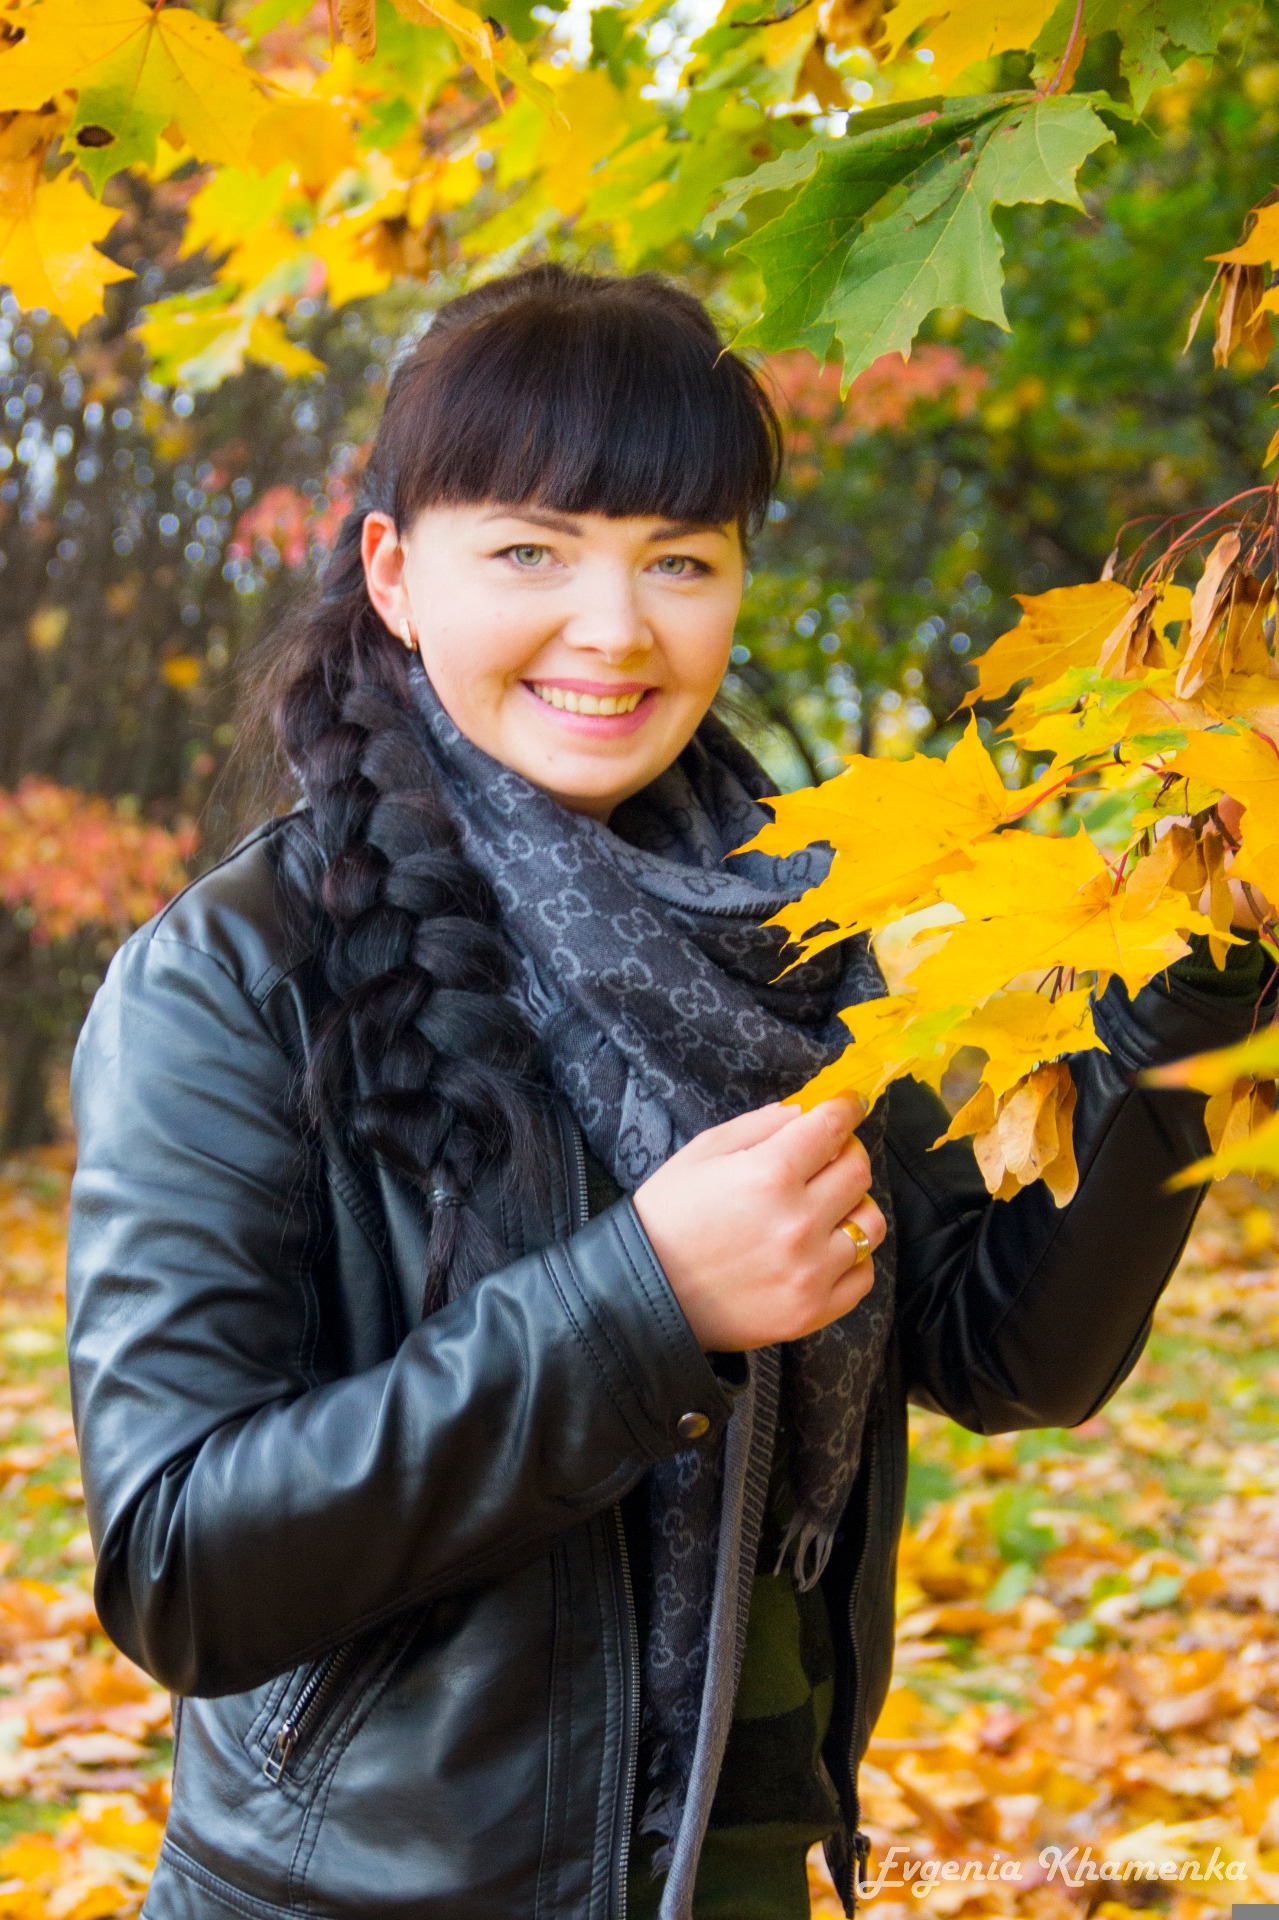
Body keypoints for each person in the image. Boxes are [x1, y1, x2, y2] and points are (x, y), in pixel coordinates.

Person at [65, 265, 1269, 1920]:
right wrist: (646, 1303)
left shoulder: (795, 935)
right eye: (533, 553)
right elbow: (174, 1564)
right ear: (397, 574)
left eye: (681, 562)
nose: (617, 630)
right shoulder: (240, 977)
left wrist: (1206, 972)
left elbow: (1010, 1350)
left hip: (738, 1863)